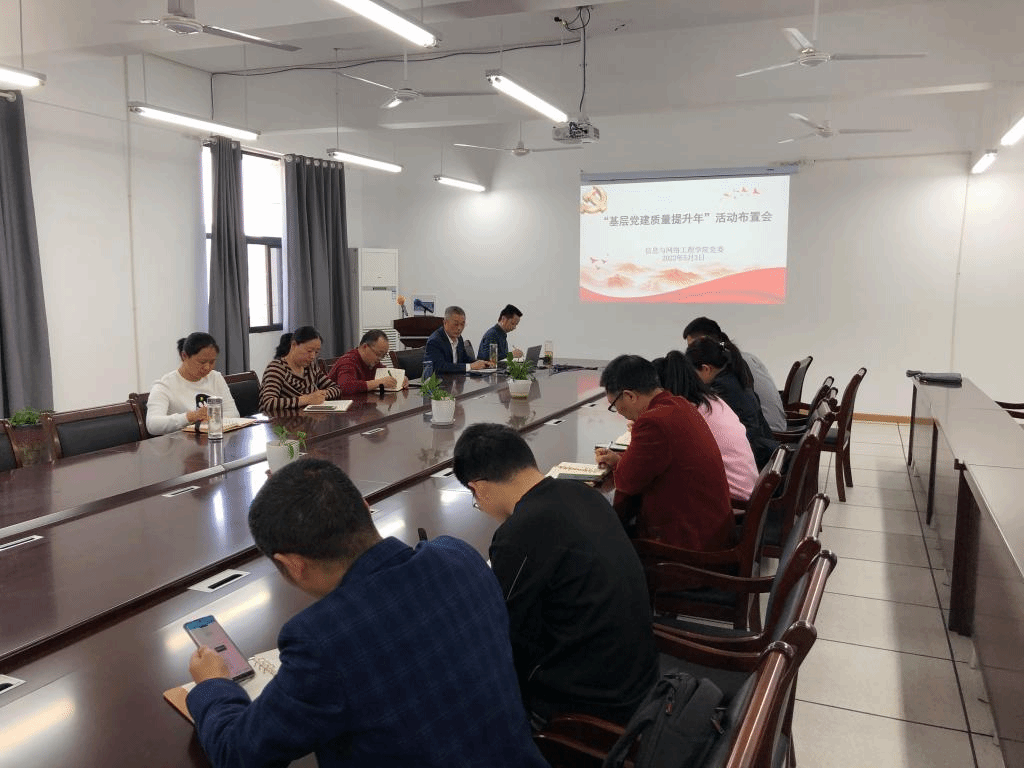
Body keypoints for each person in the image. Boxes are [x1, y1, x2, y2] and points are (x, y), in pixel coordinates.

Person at [185, 458, 548, 768]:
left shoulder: (322, 641)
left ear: (292, 564)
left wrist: (213, 685)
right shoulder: (458, 556)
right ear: (364, 505)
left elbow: (238, 753)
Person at [453, 423, 658, 727]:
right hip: (641, 677)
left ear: (477, 487)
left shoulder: (519, 533)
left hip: (595, 704)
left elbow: (503, 630)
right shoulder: (584, 493)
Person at [594, 355, 734, 551]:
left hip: (688, 543)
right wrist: (619, 460)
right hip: (712, 529)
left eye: (614, 405)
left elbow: (627, 482)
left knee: (599, 534)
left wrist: (622, 463)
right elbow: (654, 462)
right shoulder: (680, 404)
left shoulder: (652, 422)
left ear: (630, 396)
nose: (619, 412)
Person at [653, 351, 758, 504]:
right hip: (746, 488)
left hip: (733, 498)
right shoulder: (711, 400)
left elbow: (663, 458)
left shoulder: (688, 412)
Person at [685, 336, 780, 470]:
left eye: (693, 374)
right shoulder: (732, 373)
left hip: (753, 456)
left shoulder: (721, 389)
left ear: (706, 369)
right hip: (761, 448)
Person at [683, 317, 787, 432]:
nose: (690, 353)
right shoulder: (733, 362)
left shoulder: (725, 377)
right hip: (765, 431)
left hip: (768, 431)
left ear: (703, 342)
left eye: (692, 347)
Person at [146, 332, 240, 435]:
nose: (207, 367)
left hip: (213, 439)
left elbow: (233, 414)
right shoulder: (164, 386)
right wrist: (190, 417)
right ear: (184, 356)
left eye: (212, 362)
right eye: (202, 362)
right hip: (181, 443)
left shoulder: (216, 378)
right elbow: (153, 425)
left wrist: (210, 418)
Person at [259, 326, 342, 411]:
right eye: (309, 351)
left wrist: (321, 395)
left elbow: (336, 388)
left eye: (316, 352)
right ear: (294, 345)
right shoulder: (276, 368)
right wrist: (306, 399)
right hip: (283, 419)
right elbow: (268, 403)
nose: (313, 356)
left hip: (308, 417)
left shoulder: (311, 367)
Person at [326, 330, 407, 394]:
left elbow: (385, 374)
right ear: (365, 347)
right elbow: (345, 387)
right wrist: (378, 382)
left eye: (383, 355)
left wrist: (400, 378)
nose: (380, 358)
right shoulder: (348, 361)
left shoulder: (373, 362)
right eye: (378, 354)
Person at [423, 305, 491, 373]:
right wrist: (470, 366)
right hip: (441, 379)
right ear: (445, 322)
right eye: (456, 324)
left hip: (456, 378)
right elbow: (439, 367)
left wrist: (482, 363)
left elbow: (464, 359)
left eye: (462, 324)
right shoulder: (435, 341)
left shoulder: (459, 338)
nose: (459, 328)